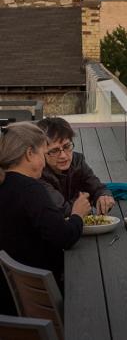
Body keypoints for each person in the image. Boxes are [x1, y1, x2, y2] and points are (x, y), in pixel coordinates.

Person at [0, 122, 91, 315]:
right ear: (29, 154)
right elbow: (64, 236)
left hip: (13, 294)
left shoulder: (6, 185)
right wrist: (78, 213)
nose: (44, 161)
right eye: (43, 153)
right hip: (42, 295)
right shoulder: (31, 190)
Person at [37, 117, 115, 216]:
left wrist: (104, 197)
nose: (63, 156)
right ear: (41, 151)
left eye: (67, 146)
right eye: (54, 151)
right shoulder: (38, 174)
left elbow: (97, 188)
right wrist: (84, 201)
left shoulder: (77, 161)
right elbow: (61, 210)